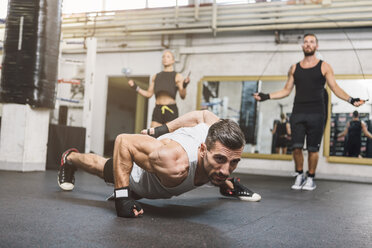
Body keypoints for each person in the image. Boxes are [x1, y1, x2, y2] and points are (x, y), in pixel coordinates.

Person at [57, 110, 261, 218]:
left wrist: (162, 129)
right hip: (138, 176)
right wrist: (122, 198)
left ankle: (229, 188)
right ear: (202, 149)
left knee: (217, 172)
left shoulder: (215, 130)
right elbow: (123, 141)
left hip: (175, 158)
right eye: (220, 159)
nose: (227, 169)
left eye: (234, 162)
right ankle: (70, 158)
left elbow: (202, 115)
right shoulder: (173, 162)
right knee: (101, 167)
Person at [253, 33, 365, 191]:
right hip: (298, 112)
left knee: (313, 149)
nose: (308, 44)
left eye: (311, 42)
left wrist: (351, 100)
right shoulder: (295, 68)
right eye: (305, 42)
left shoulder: (324, 66)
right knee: (297, 147)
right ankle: (299, 175)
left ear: (316, 46)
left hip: (317, 114)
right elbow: (286, 90)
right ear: (302, 46)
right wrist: (265, 96)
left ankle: (311, 177)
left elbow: (335, 88)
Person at [128, 50, 190, 128]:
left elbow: (183, 96)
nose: (165, 58)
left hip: (171, 109)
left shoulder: (177, 76)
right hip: (158, 109)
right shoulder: (156, 76)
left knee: (168, 137)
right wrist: (135, 87)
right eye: (163, 57)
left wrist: (184, 85)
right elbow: (148, 94)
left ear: (173, 61)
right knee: (153, 135)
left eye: (168, 56)